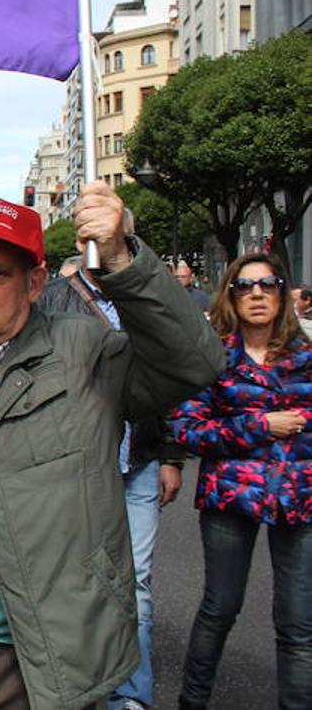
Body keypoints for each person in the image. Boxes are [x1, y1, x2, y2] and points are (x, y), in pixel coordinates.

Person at [0, 182, 224, 710]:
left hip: (46, 661)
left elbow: (195, 362)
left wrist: (121, 259)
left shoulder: (88, 353)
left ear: (35, 283)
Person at [38, 236, 185, 710]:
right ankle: (70, 687)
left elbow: (171, 378)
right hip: (75, 466)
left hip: (137, 463)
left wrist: (170, 456)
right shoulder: (54, 300)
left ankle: (129, 697)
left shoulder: (142, 299)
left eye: (111, 235)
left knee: (135, 584)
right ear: (81, 244)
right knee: (71, 578)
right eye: (93, 238)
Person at [170, 252, 311, 709]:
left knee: (298, 625)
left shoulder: (305, 357)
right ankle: (192, 703)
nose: (256, 293)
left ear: (282, 294)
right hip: (231, 496)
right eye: (245, 285)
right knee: (220, 608)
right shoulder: (213, 355)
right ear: (230, 293)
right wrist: (260, 426)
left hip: (299, 497)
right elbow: (188, 429)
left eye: (268, 284)